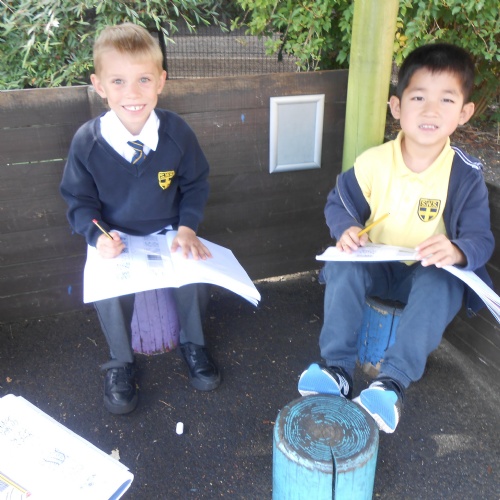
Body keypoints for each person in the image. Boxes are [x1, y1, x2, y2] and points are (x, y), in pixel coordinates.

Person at [298, 43, 494, 433]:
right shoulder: (375, 162)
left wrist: (456, 249)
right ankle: (336, 369)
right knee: (343, 263)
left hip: (423, 276)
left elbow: (481, 239)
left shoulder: (464, 174)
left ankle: (391, 385)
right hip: (376, 265)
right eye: (418, 97)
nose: (431, 110)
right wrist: (346, 229)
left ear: (464, 112)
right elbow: (339, 202)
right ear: (397, 106)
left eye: (446, 99)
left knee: (443, 279)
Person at [60, 23, 220, 415]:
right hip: (115, 237)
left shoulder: (176, 132)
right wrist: (98, 237)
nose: (132, 93)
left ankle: (194, 344)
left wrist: (188, 228)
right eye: (118, 81)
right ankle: (120, 362)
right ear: (99, 85)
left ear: (161, 81)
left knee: (194, 272)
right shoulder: (87, 141)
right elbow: (79, 201)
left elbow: (195, 183)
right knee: (108, 288)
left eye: (143, 79)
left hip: (168, 231)